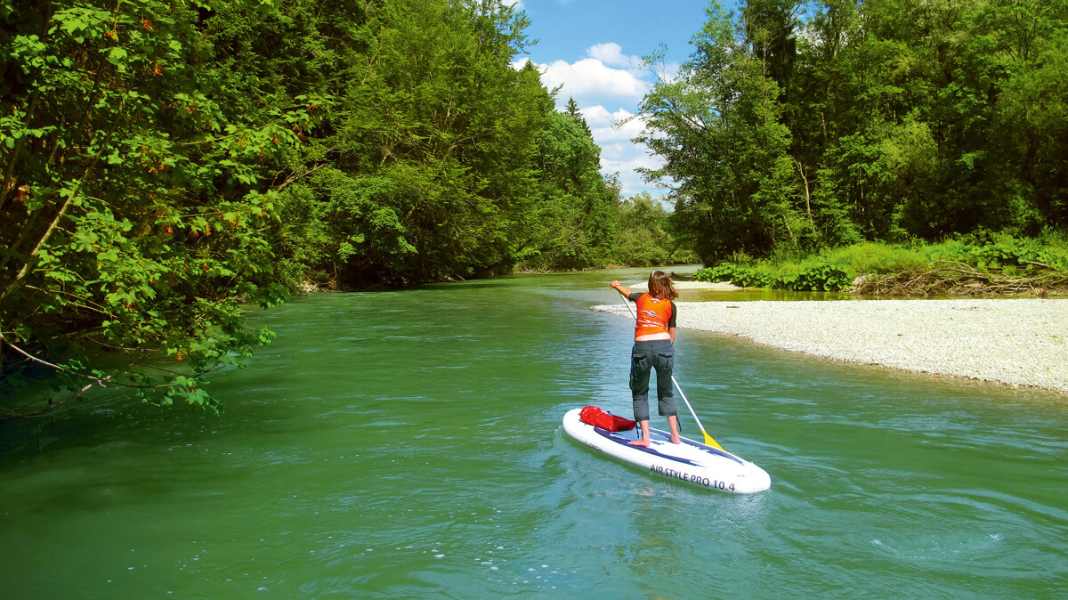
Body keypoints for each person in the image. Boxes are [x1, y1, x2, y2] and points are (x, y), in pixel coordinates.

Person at [610, 271, 680, 447]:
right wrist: (665, 351)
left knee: (640, 392)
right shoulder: (671, 305)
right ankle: (675, 436)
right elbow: (672, 334)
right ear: (666, 284)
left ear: (650, 284)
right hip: (664, 347)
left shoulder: (641, 298)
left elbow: (627, 292)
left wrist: (616, 285)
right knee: (666, 392)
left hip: (642, 348)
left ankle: (645, 438)